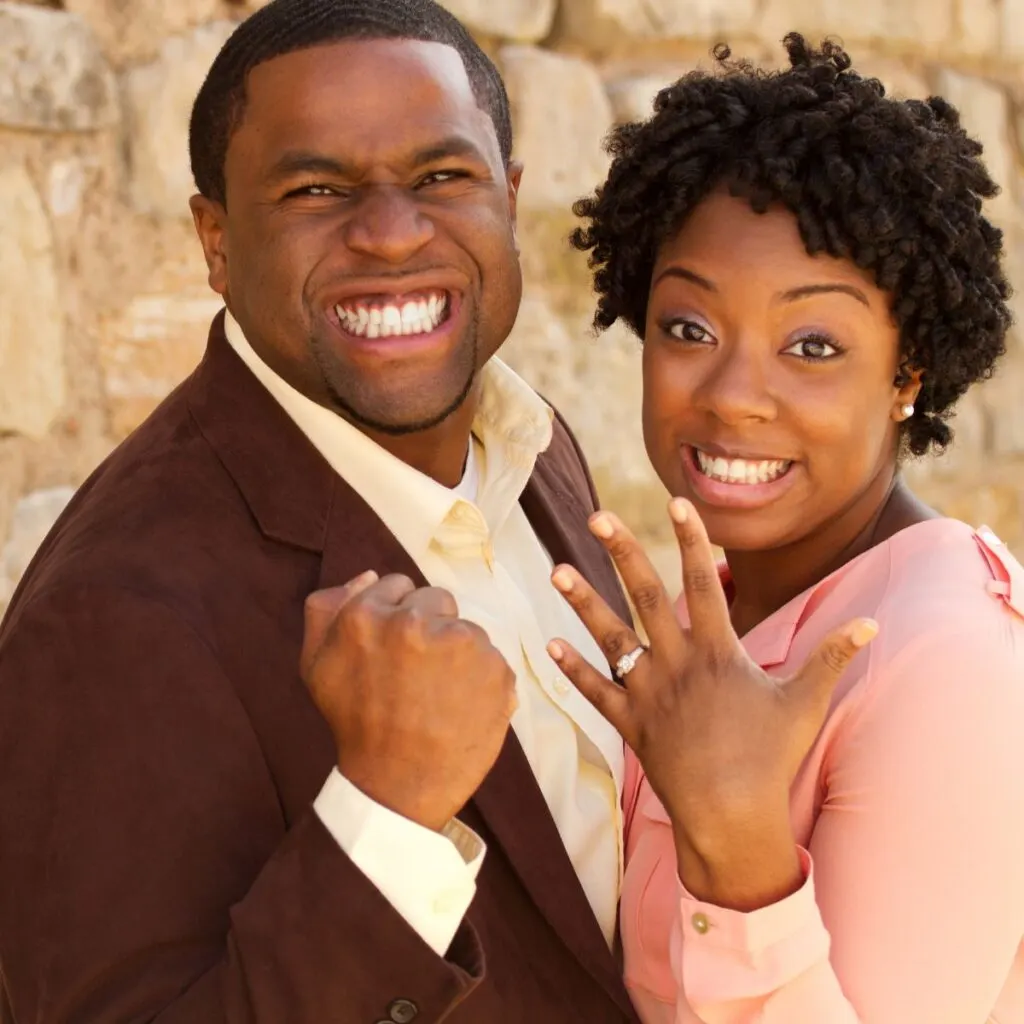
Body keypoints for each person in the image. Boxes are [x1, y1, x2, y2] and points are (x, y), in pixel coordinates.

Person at [0, 1, 640, 1020]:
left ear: (509, 199)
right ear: (215, 240)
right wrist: (383, 815)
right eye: (315, 190)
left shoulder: (533, 443)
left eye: (442, 178)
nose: (391, 235)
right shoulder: (117, 611)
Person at [549, 34, 1024, 1023]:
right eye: (689, 328)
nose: (732, 397)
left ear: (907, 375)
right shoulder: (716, 608)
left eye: (811, 345)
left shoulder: (945, 662)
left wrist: (738, 852)